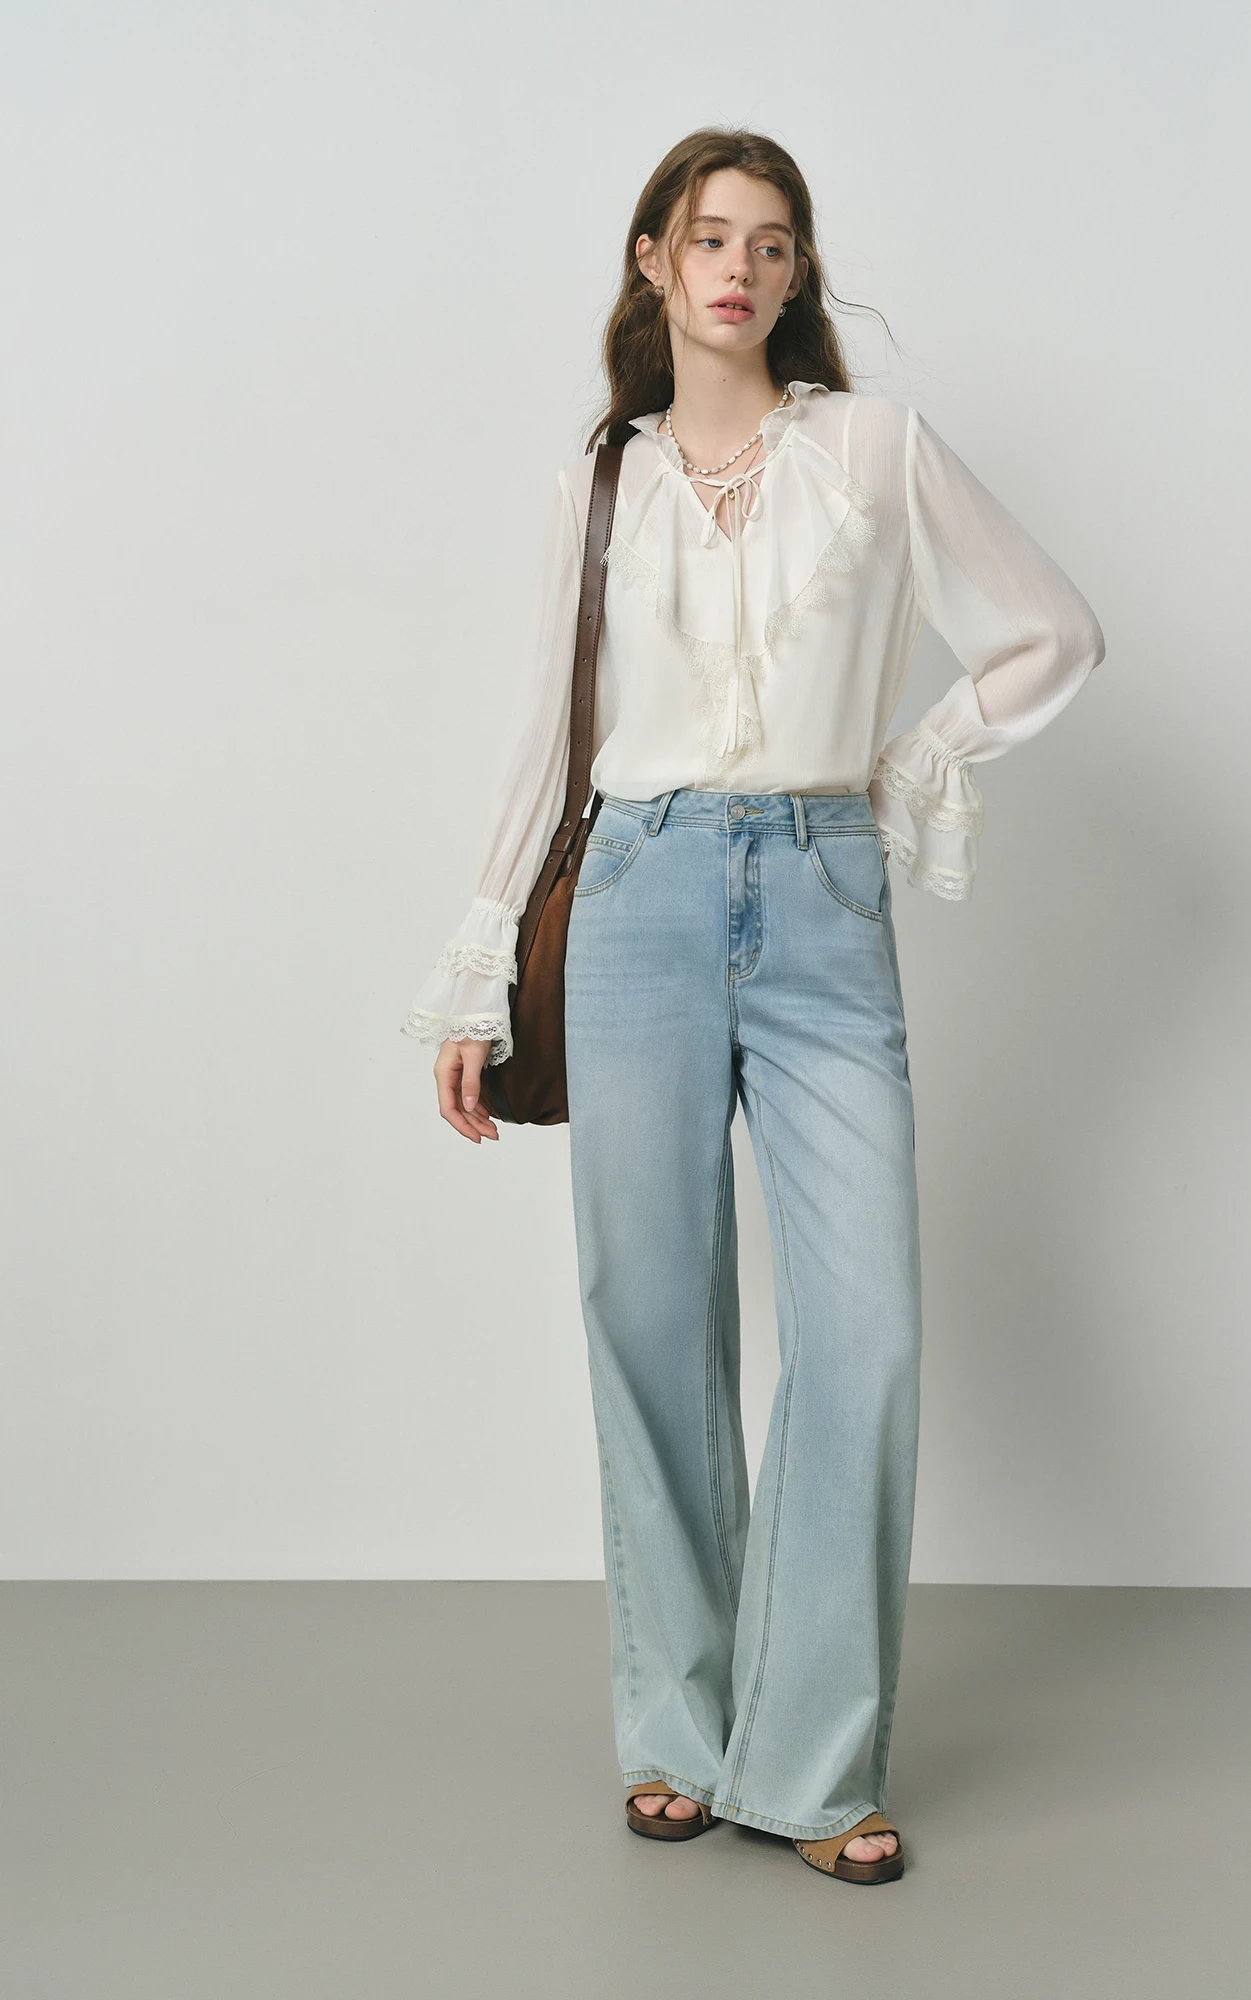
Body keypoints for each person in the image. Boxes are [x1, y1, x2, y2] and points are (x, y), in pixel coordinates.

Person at [402, 127, 1106, 1885]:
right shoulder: (602, 480)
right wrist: (477, 972)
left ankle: (812, 1758)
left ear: (799, 276)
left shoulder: (874, 448)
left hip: (819, 895)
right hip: (634, 899)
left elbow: (1050, 631)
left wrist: (908, 766)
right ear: (654, 261)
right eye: (709, 237)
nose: (741, 267)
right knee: (648, 1317)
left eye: (773, 243)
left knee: (864, 1330)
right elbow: (549, 739)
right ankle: (680, 1727)